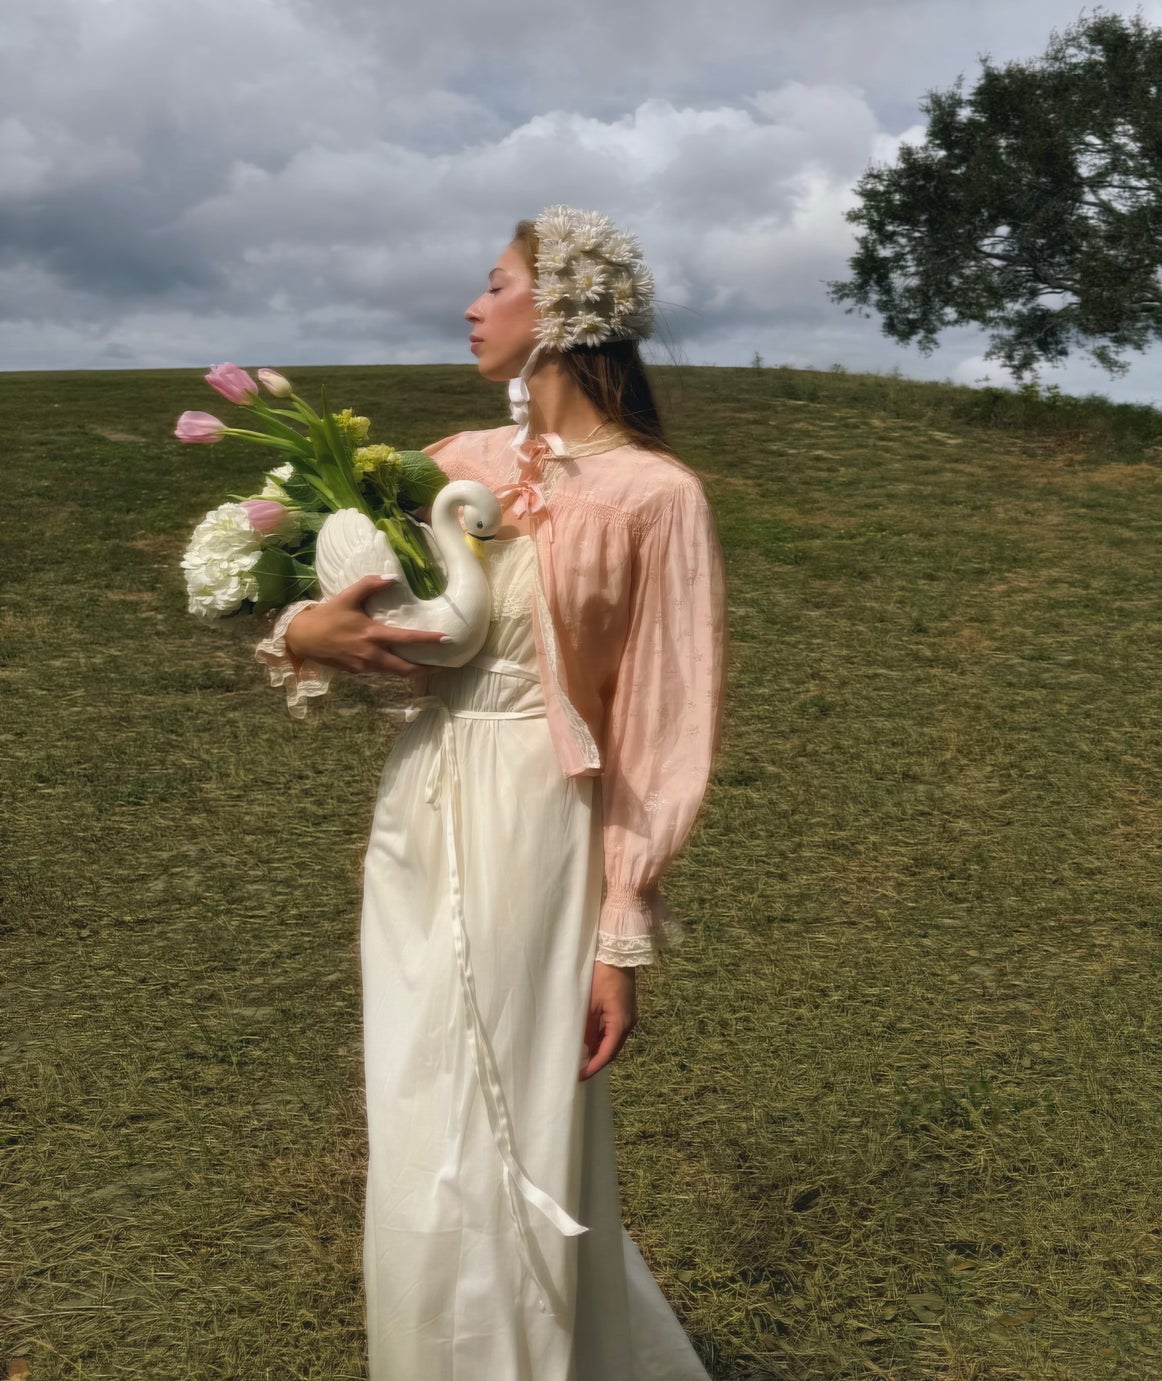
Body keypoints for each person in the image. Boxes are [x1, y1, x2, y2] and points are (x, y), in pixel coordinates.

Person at [252, 205, 727, 1379]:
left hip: (540, 822)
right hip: (419, 810)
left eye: (496, 282)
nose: (471, 306)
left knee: (515, 1111)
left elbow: (663, 724)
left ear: (564, 308)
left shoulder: (657, 495)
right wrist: (304, 633)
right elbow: (384, 629)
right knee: (419, 1110)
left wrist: (621, 934)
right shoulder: (452, 465)